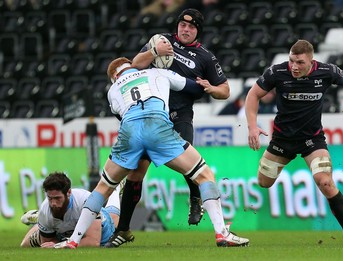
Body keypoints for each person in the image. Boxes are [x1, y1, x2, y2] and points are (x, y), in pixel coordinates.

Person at [51, 57, 249, 249]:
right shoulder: (157, 72)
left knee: (103, 188)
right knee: (204, 175)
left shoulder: (113, 90)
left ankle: (73, 241)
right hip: (156, 124)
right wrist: (207, 85)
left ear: (114, 76)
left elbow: (120, 115)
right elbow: (193, 87)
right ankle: (222, 233)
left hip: (129, 130)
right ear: (134, 66)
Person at [105, 8, 231, 248]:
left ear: (198, 31)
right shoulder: (161, 40)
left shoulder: (205, 57)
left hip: (179, 115)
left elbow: (225, 90)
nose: (185, 29)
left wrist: (211, 88)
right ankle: (123, 229)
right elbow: (134, 65)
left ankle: (196, 198)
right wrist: (154, 52)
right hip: (149, 117)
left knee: (191, 164)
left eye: (191, 27)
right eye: (182, 25)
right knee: (136, 173)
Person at [245, 39, 343, 245]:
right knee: (264, 182)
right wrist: (252, 126)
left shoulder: (326, 71)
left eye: (299, 62)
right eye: (291, 61)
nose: (294, 66)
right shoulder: (277, 72)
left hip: (312, 141)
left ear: (311, 62)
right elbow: (253, 94)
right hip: (282, 140)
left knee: (325, 182)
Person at [19, 172, 121, 248]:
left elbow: (93, 241)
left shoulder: (85, 200)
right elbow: (48, 243)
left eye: (58, 198)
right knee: (24, 245)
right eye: (50, 198)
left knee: (113, 218)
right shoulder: (45, 209)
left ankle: (117, 189)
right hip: (63, 234)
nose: (53, 204)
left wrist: (58, 246)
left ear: (68, 192)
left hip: (102, 231)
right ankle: (40, 221)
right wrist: (54, 244)